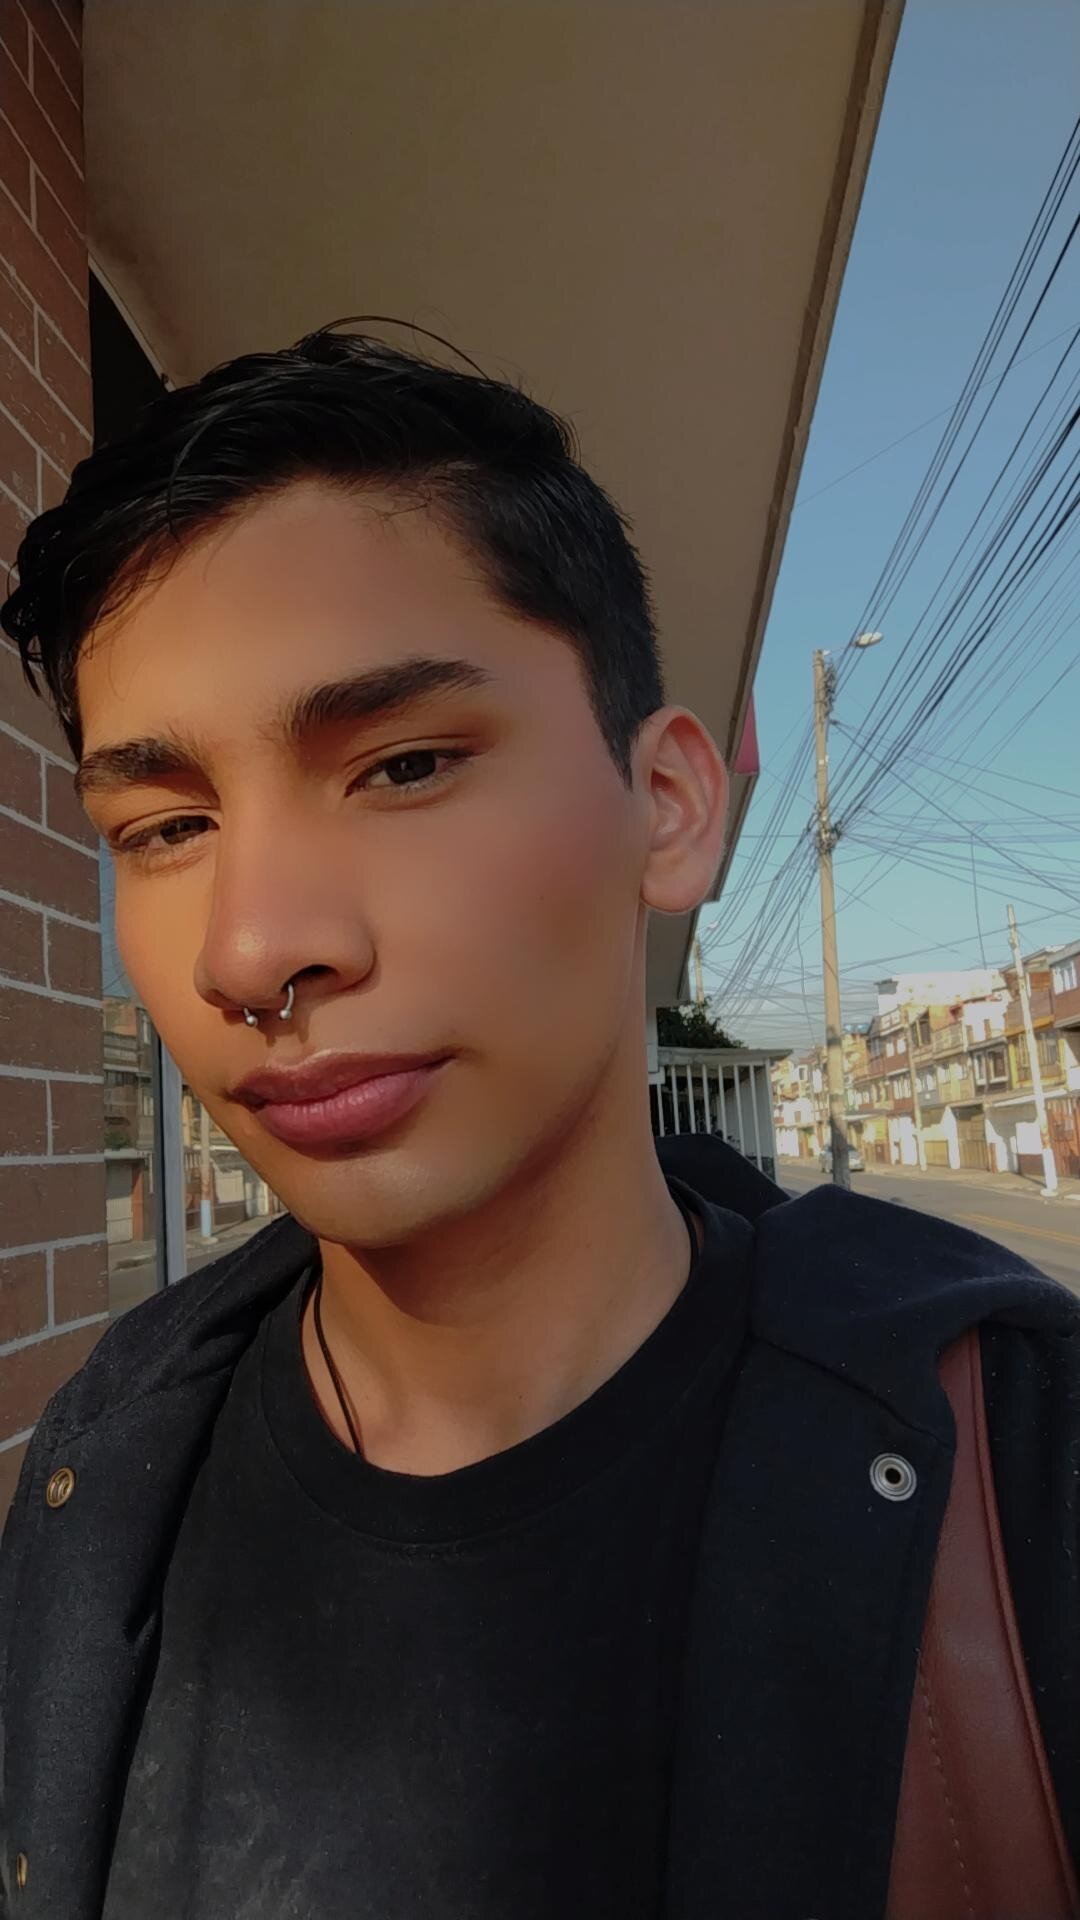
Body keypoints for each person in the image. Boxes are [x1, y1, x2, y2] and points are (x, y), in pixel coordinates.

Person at [0, 328, 1077, 1920]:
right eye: (164, 827)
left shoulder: (1024, 1465)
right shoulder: (103, 1473)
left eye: (404, 766)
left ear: (668, 808)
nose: (252, 947)